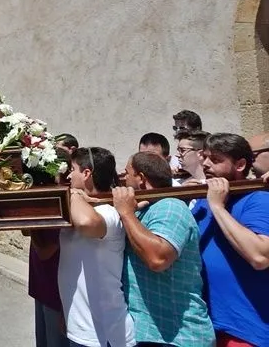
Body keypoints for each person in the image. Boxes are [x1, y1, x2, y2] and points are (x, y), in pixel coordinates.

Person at [115, 152, 214, 346]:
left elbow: (158, 259)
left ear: (141, 178)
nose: (122, 178)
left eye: (127, 173)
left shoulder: (171, 207)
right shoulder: (147, 209)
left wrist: (126, 213)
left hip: (179, 338)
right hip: (151, 334)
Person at [192, 133, 269, 346]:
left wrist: (217, 207)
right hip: (206, 325)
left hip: (247, 330)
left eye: (215, 160)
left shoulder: (259, 199)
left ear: (241, 164)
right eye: (205, 157)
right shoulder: (203, 200)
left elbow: (260, 256)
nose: (206, 164)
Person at [57, 147, 134, 347]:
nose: (68, 174)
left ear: (87, 173)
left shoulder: (108, 212)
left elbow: (87, 224)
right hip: (80, 328)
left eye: (73, 169)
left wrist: (73, 194)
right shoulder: (80, 207)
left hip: (104, 334)